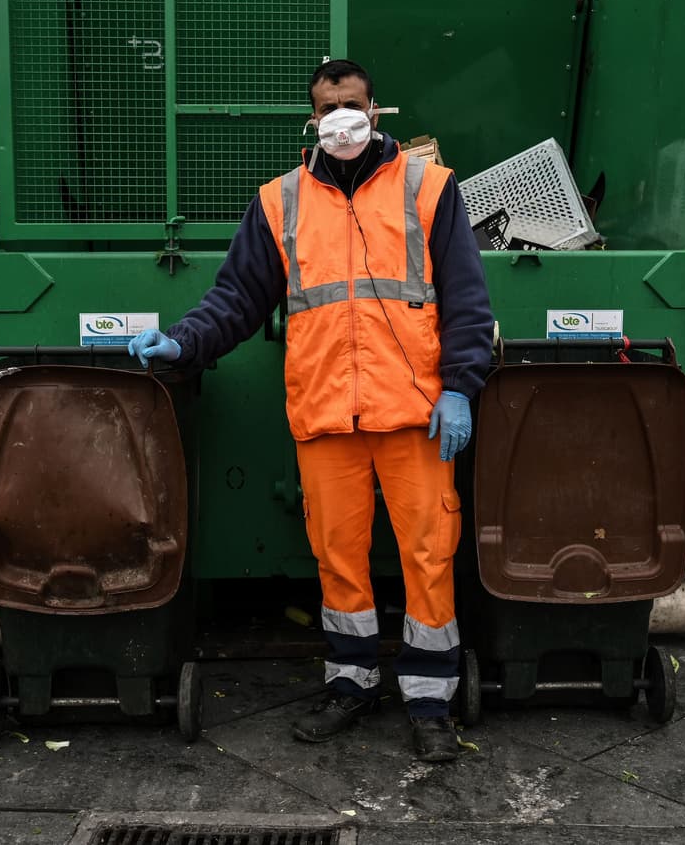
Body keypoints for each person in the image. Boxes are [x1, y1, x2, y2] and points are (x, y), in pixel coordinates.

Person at [127, 59, 493, 763]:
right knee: (338, 560)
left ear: (376, 109)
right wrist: (181, 343)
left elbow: (468, 299)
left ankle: (428, 697)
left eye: (352, 104)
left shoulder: (429, 188)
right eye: (328, 109)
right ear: (312, 119)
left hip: (414, 414)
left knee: (427, 554)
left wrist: (459, 386)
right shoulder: (281, 202)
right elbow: (236, 299)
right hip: (328, 415)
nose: (342, 119)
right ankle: (350, 684)